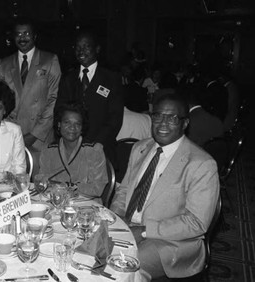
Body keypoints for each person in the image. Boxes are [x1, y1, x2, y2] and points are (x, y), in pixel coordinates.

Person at [110, 93, 219, 280]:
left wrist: (144, 230)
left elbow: (196, 223)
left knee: (122, 265)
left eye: (172, 118)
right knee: (86, 246)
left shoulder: (201, 163)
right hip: (128, 226)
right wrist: (116, 218)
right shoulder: (140, 148)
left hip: (170, 242)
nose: (162, 123)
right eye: (158, 116)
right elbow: (125, 190)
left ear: (185, 124)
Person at [56, 30, 124, 166]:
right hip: (71, 149)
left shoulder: (111, 78)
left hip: (101, 149)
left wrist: (95, 145)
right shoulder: (68, 78)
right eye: (78, 47)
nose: (81, 51)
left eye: (86, 46)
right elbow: (59, 112)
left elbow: (115, 118)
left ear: (97, 49)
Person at [0, 18, 61, 152]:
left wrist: (34, 135)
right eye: (18, 34)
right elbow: (0, 102)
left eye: (26, 33)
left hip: (41, 136)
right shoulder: (4, 63)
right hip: (12, 134)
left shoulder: (50, 60)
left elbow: (54, 100)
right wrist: (13, 132)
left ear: (35, 36)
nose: (22, 38)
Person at [39, 103, 107, 197]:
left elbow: (97, 188)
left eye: (77, 124)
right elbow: (42, 182)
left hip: (86, 205)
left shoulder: (94, 151)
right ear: (59, 124)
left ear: (82, 128)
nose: (72, 127)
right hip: (56, 202)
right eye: (67, 122)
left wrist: (67, 186)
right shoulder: (49, 150)